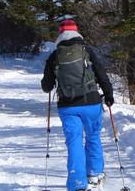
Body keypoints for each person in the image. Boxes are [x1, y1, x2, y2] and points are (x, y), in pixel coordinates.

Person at [41, 17, 115, 191]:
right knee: (93, 137)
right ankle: (95, 175)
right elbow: (102, 74)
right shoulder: (86, 51)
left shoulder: (55, 55)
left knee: (74, 142)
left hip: (68, 107)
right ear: (76, 32)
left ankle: (77, 184)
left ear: (60, 34)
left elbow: (46, 86)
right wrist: (109, 94)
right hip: (91, 103)